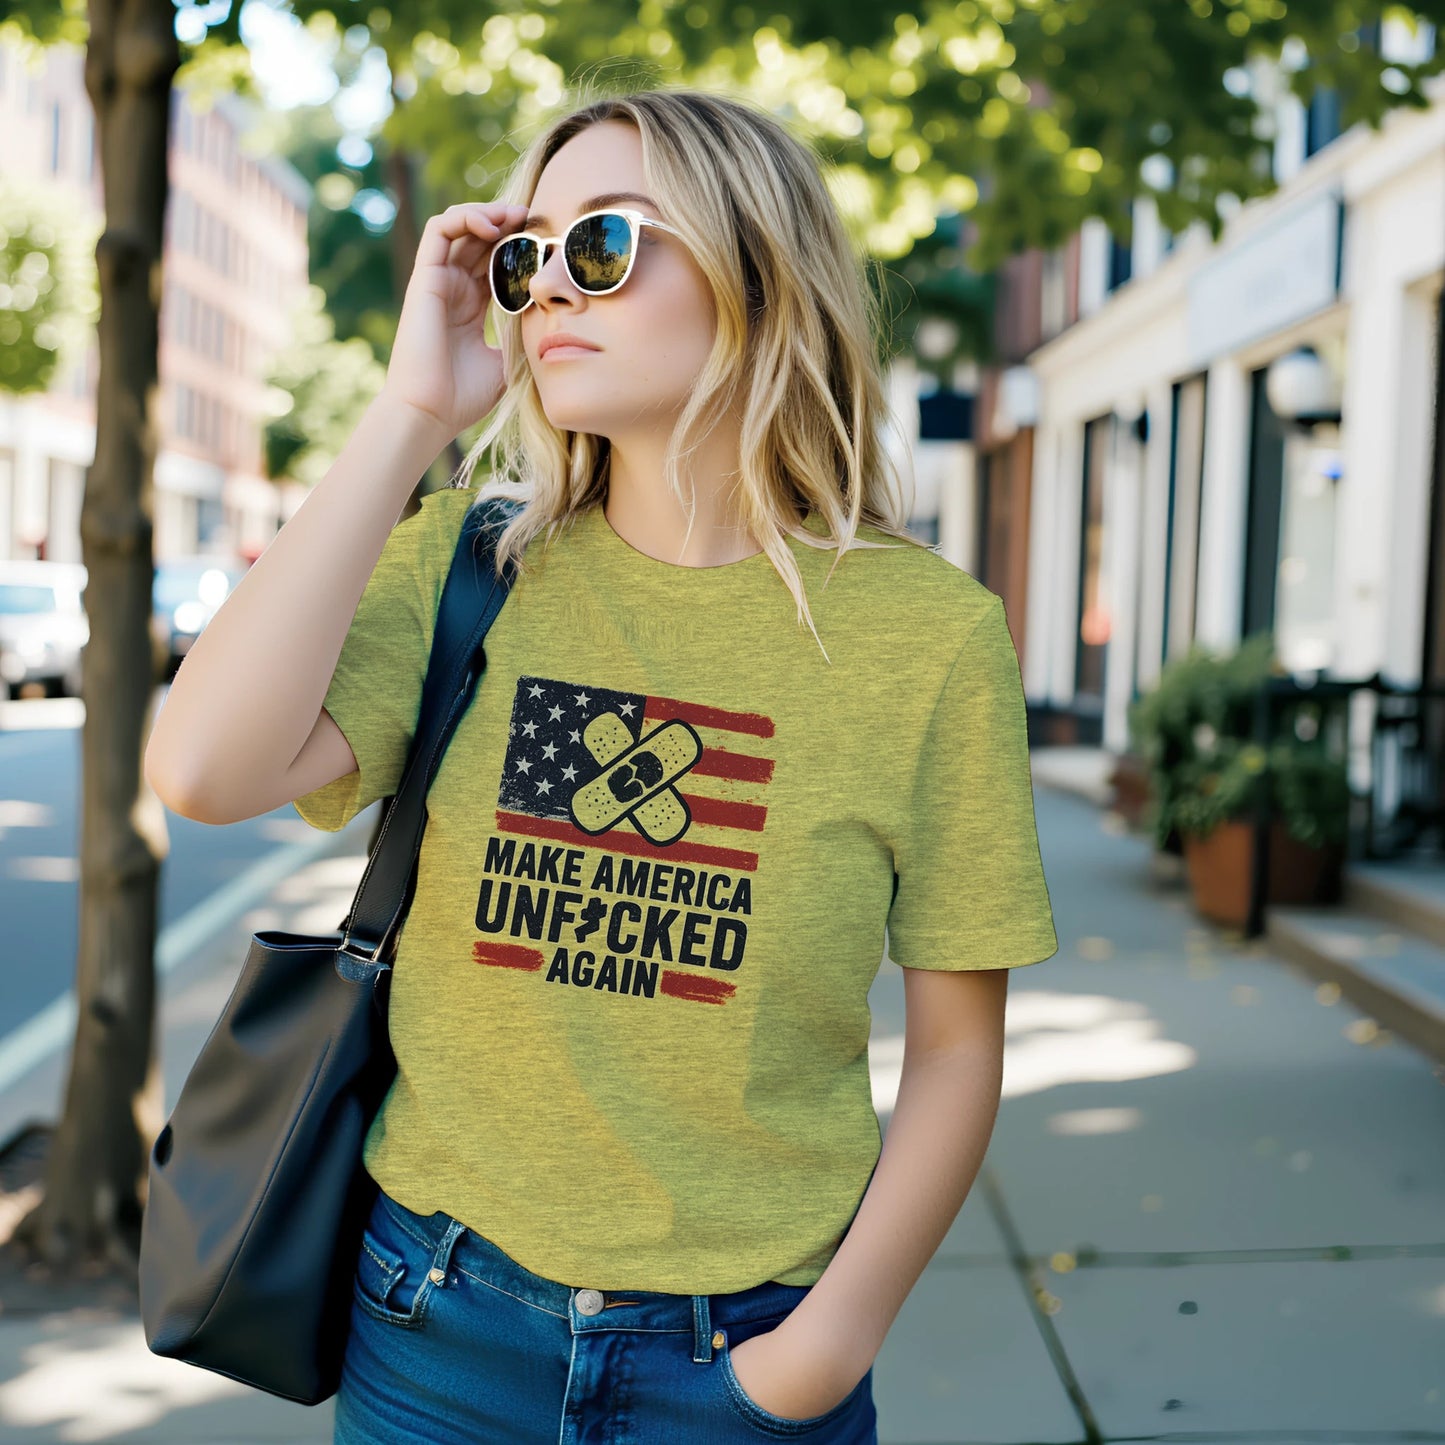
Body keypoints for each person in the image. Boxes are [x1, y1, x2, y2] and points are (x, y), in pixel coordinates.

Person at [144, 84, 1058, 1444]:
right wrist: (409, 411)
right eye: (526, 259)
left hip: (740, 1359)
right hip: (436, 1327)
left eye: (604, 247)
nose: (547, 290)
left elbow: (953, 1049)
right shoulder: (471, 568)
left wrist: (820, 1348)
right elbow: (203, 768)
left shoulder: (926, 639)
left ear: (754, 267)